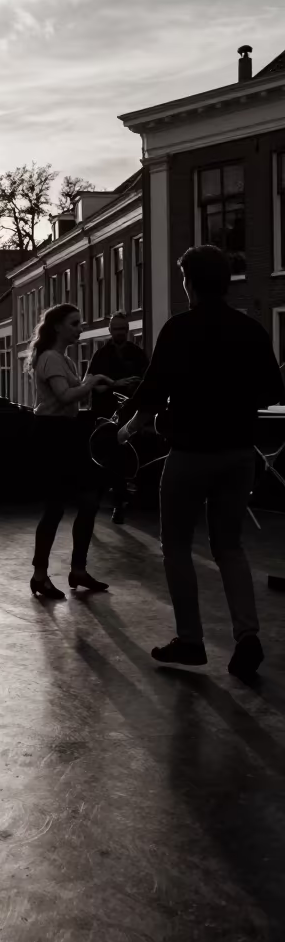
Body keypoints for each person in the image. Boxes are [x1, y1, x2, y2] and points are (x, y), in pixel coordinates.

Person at [119, 245, 284, 681]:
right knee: (229, 545)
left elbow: (152, 390)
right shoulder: (250, 330)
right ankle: (247, 635)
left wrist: (129, 426)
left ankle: (191, 640)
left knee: (175, 543)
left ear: (189, 282)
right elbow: (271, 390)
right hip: (238, 455)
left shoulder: (179, 329)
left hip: (191, 454)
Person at [28, 304, 114, 600]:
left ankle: (78, 570)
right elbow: (65, 396)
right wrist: (90, 383)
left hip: (67, 434)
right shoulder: (51, 358)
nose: (80, 328)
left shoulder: (64, 360)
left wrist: (107, 384)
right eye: (75, 323)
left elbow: (75, 394)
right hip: (53, 435)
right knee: (55, 507)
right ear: (58, 327)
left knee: (88, 501)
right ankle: (40, 575)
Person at [88, 312, 149, 524]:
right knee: (110, 459)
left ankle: (125, 501)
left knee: (127, 458)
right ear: (110, 330)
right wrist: (117, 383)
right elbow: (92, 386)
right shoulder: (101, 355)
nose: (120, 333)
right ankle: (116, 503)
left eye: (123, 329)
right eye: (116, 329)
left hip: (129, 415)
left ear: (128, 330)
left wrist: (137, 386)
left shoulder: (138, 354)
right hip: (106, 415)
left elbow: (149, 384)